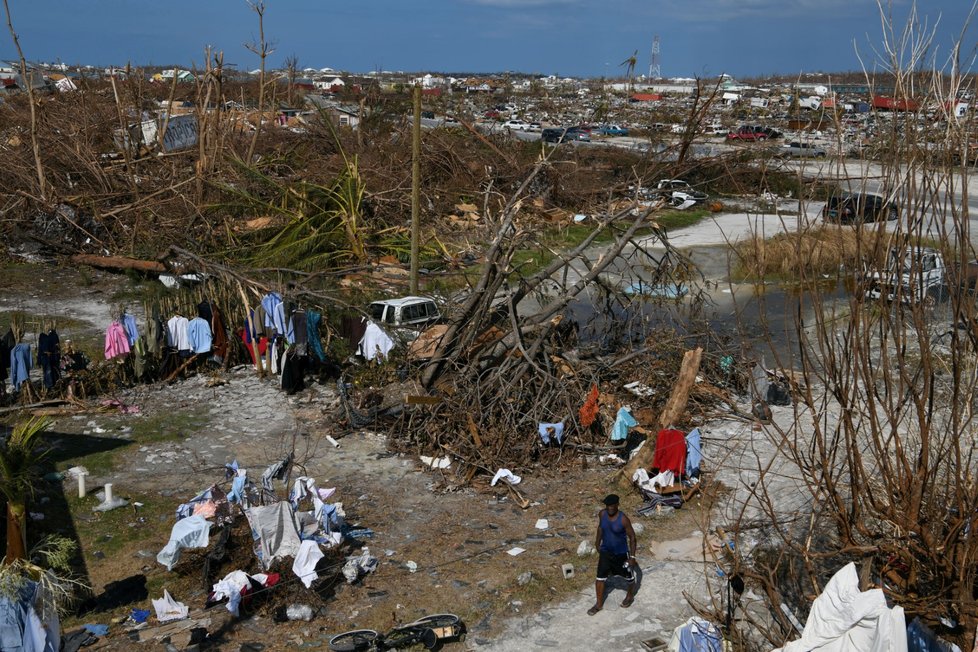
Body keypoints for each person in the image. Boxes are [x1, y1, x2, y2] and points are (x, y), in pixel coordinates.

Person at [588, 493, 637, 615]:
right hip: (606, 552)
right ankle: (598, 604)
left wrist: (632, 557)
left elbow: (632, 537)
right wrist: (597, 542)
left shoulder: (623, 519)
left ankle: (630, 595)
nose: (609, 508)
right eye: (607, 505)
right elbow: (600, 528)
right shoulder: (602, 514)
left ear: (617, 505)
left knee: (629, 578)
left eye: (612, 505)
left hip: (621, 554)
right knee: (600, 578)